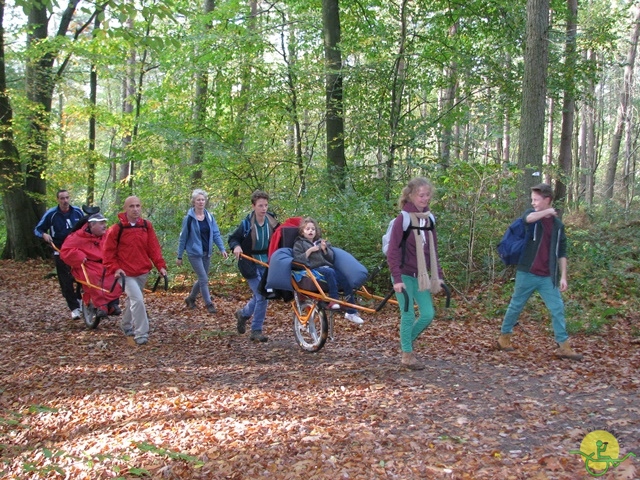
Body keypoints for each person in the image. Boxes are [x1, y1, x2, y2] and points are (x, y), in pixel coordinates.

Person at [497, 183, 583, 361]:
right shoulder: (531, 216)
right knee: (516, 306)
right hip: (527, 272)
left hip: (547, 276)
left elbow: (562, 252)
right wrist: (547, 212)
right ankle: (504, 337)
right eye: (532, 200)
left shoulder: (558, 226)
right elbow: (527, 219)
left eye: (536, 199)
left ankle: (564, 347)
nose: (533, 202)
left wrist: (564, 276)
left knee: (557, 308)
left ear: (547, 200)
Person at [386, 177, 443, 370]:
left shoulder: (429, 219)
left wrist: (438, 275)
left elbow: (433, 250)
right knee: (408, 315)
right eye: (421, 195)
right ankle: (407, 356)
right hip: (402, 274)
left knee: (428, 314)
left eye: (427, 195)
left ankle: (405, 343)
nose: (425, 198)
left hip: (422, 276)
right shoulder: (403, 219)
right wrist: (397, 278)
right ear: (410, 195)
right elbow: (393, 250)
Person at [103, 196, 167, 346]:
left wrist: (160, 266)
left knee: (134, 300)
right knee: (138, 300)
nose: (135, 209)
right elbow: (108, 253)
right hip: (125, 274)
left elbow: (154, 248)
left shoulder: (146, 226)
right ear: (125, 208)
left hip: (142, 271)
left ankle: (125, 325)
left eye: (138, 206)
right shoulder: (116, 229)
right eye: (131, 206)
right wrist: (115, 268)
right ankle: (141, 333)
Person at [228, 190, 279, 342]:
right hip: (250, 263)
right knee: (262, 296)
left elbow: (283, 236)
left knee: (260, 296)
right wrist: (236, 247)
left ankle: (243, 314)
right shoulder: (246, 224)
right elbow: (233, 239)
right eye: (260, 205)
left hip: (267, 263)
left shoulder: (273, 222)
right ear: (253, 206)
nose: (264, 208)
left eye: (266, 205)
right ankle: (256, 331)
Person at [292, 217, 364, 324]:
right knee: (329, 272)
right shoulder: (300, 243)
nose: (310, 231)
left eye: (313, 229)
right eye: (308, 229)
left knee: (344, 279)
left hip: (327, 266)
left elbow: (331, 258)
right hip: (313, 268)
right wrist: (310, 251)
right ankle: (333, 300)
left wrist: (325, 249)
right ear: (303, 231)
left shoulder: (320, 242)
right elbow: (297, 259)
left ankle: (351, 312)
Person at [59, 213, 123, 318]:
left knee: (114, 276)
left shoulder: (107, 235)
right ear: (92, 225)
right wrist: (78, 255)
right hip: (87, 266)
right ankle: (101, 306)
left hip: (104, 264)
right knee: (94, 278)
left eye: (104, 223)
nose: (104, 225)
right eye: (101, 223)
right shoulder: (78, 236)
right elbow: (65, 251)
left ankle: (112, 304)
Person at [34, 189, 85, 319]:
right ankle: (74, 308)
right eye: (62, 198)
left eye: (67, 197)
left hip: (76, 250)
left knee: (82, 277)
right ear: (58, 199)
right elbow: (38, 229)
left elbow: (87, 227)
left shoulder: (78, 212)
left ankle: (79, 299)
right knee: (66, 281)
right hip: (60, 250)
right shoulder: (51, 214)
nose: (65, 201)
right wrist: (44, 235)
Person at [177, 189, 229, 313]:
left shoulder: (209, 217)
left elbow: (216, 234)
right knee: (204, 279)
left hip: (207, 252)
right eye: (198, 200)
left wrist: (222, 248)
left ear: (205, 201)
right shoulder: (189, 219)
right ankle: (209, 304)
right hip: (194, 253)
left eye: (202, 199)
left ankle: (191, 298)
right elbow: (183, 237)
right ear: (194, 202)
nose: (201, 202)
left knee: (202, 278)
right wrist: (179, 256)